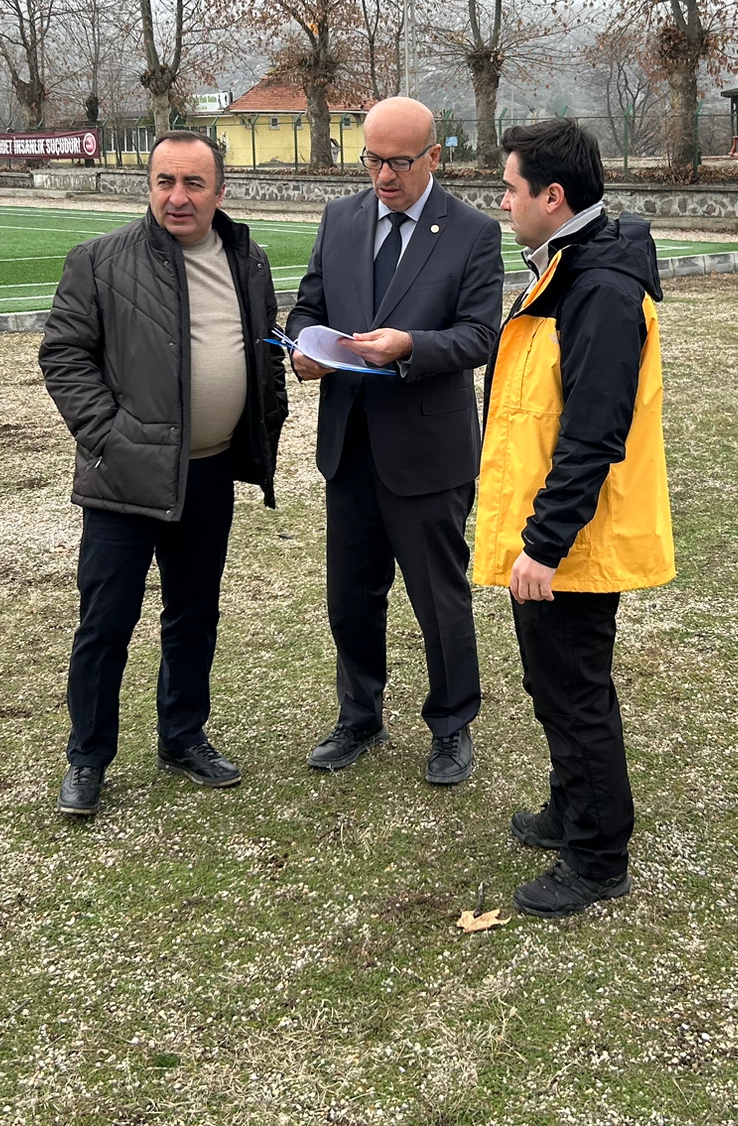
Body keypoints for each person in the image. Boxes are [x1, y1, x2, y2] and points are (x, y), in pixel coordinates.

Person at [38, 131, 287, 815]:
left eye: (193, 183)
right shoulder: (99, 260)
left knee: (194, 614)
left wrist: (268, 412)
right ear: (148, 186)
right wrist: (110, 438)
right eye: (164, 182)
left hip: (208, 474)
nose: (178, 197)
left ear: (220, 191)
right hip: (124, 479)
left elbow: (263, 349)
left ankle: (183, 736)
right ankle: (88, 757)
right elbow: (64, 356)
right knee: (106, 622)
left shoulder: (248, 260)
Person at [472, 116, 675, 917]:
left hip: (572, 543)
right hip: (553, 534)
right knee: (553, 682)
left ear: (552, 196)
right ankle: (571, 807)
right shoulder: (567, 269)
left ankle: (596, 855)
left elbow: (593, 432)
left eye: (510, 188)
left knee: (575, 689)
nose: (503, 202)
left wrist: (545, 543)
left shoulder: (599, 289)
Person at [286, 97, 506, 786]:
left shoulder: (472, 231)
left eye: (400, 162)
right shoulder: (340, 218)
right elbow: (309, 304)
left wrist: (410, 345)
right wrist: (302, 347)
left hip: (427, 451)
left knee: (439, 597)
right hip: (349, 443)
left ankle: (451, 724)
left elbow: (480, 334)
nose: (384, 176)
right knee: (351, 594)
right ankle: (359, 716)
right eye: (372, 160)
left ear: (434, 157)